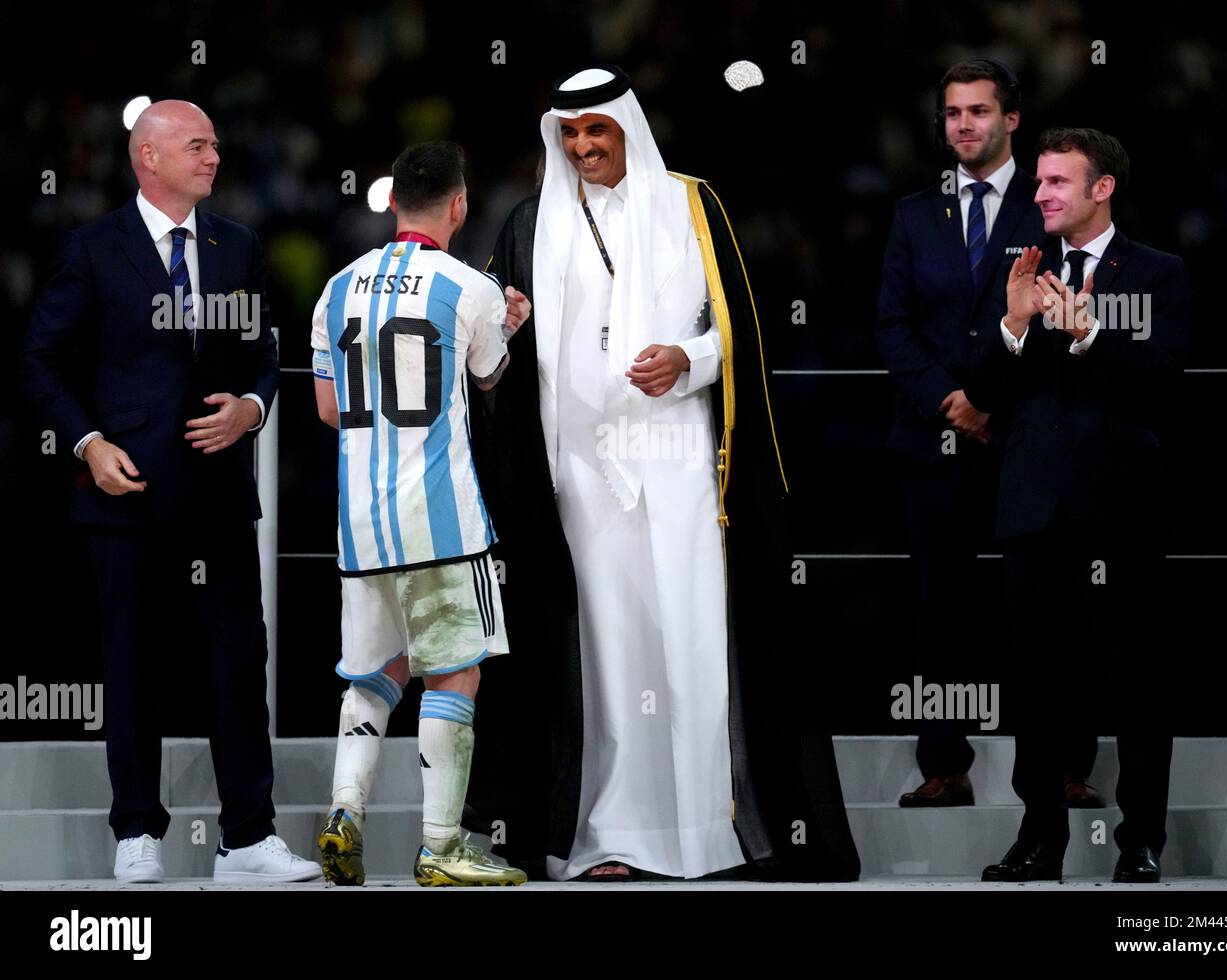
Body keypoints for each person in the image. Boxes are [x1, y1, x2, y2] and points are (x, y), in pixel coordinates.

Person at [466, 65, 860, 881]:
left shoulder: (691, 204)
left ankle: (701, 832)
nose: (582, 149)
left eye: (596, 132)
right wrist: (503, 330)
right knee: (606, 653)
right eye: (569, 135)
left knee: (690, 641)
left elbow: (740, 333)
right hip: (577, 472)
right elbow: (497, 363)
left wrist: (688, 359)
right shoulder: (530, 223)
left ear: (627, 129)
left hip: (682, 464)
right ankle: (610, 833)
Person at [23, 99, 319, 883]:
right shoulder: (92, 250)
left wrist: (253, 408)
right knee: (132, 666)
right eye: (197, 145)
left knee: (236, 664)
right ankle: (136, 831)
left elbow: (263, 354)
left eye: (216, 145)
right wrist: (88, 445)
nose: (213, 157)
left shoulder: (239, 246)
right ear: (148, 158)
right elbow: (39, 362)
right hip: (125, 497)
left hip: (218, 498)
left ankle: (248, 838)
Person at [878, 59, 1102, 809]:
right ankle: (944, 765)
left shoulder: (1049, 208)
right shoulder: (914, 214)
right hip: (934, 443)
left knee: (1048, 607)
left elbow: (1068, 316)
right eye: (952, 113)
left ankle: (1066, 767)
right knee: (939, 611)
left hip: (1025, 442)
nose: (964, 125)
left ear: (1011, 120)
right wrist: (952, 400)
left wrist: (990, 404)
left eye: (978, 111)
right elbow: (892, 327)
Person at [970, 129, 1188, 883]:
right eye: (1038, 183)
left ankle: (1141, 843)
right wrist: (1015, 324)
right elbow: (981, 396)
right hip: (1034, 507)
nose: (1040, 195)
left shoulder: (1159, 273)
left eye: (1059, 182)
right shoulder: (1023, 272)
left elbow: (1163, 384)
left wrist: (1091, 332)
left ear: (1103, 189)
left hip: (1122, 508)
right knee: (1037, 684)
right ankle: (1040, 843)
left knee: (1134, 680)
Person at [310, 141, 530, 886]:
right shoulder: (469, 287)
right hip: (440, 520)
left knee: (375, 674)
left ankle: (345, 812)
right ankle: (441, 846)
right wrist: (509, 320)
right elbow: (491, 374)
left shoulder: (336, 288)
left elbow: (330, 409)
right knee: (454, 676)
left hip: (361, 522)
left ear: (394, 200)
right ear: (460, 205)